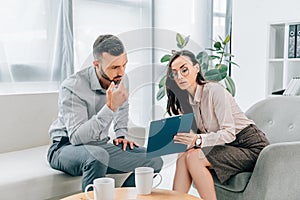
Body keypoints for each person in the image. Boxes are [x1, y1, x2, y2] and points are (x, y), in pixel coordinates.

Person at [47, 34, 163, 191]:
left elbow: (123, 107)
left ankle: (124, 196)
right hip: (64, 147)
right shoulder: (73, 86)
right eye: (114, 67)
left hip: (100, 146)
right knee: (98, 155)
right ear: (96, 64)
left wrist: (121, 135)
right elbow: (76, 137)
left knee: (154, 160)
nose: (121, 72)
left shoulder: (121, 78)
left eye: (124, 65)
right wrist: (110, 107)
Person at [165, 50, 269, 200]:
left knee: (195, 157)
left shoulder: (214, 91)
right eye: (175, 73)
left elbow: (228, 133)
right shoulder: (186, 101)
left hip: (251, 146)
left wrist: (198, 141)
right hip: (226, 146)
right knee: (183, 155)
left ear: (196, 68)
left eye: (184, 69)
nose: (179, 76)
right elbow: (195, 136)